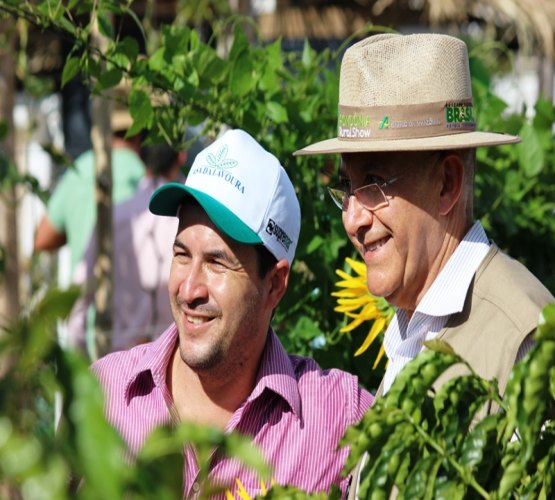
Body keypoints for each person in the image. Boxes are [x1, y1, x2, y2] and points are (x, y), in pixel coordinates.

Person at [92, 129, 373, 498]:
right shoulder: (107, 393)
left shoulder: (338, 417)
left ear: (274, 285)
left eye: (216, 262)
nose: (189, 289)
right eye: (182, 255)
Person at [295, 33, 554, 405]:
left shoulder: (521, 336)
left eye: (374, 183)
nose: (352, 220)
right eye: (347, 187)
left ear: (447, 184)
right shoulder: (413, 326)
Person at [68, 143, 187, 354]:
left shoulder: (115, 216)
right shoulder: (185, 221)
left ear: (140, 156)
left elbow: (81, 289)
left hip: (118, 361)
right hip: (172, 361)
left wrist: (80, 354)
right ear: (181, 156)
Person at [33, 101, 146, 277]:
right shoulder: (147, 177)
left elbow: (42, 239)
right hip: (135, 303)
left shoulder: (79, 171)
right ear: (140, 133)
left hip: (84, 300)